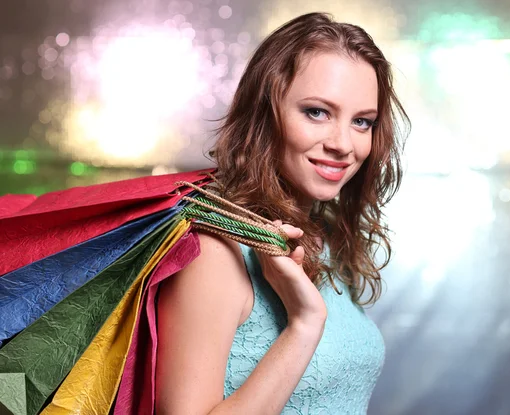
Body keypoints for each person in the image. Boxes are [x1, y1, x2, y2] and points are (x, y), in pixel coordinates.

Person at [155, 12, 409, 414]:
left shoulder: (325, 238)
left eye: (362, 122)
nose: (344, 144)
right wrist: (304, 324)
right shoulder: (215, 252)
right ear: (264, 114)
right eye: (317, 112)